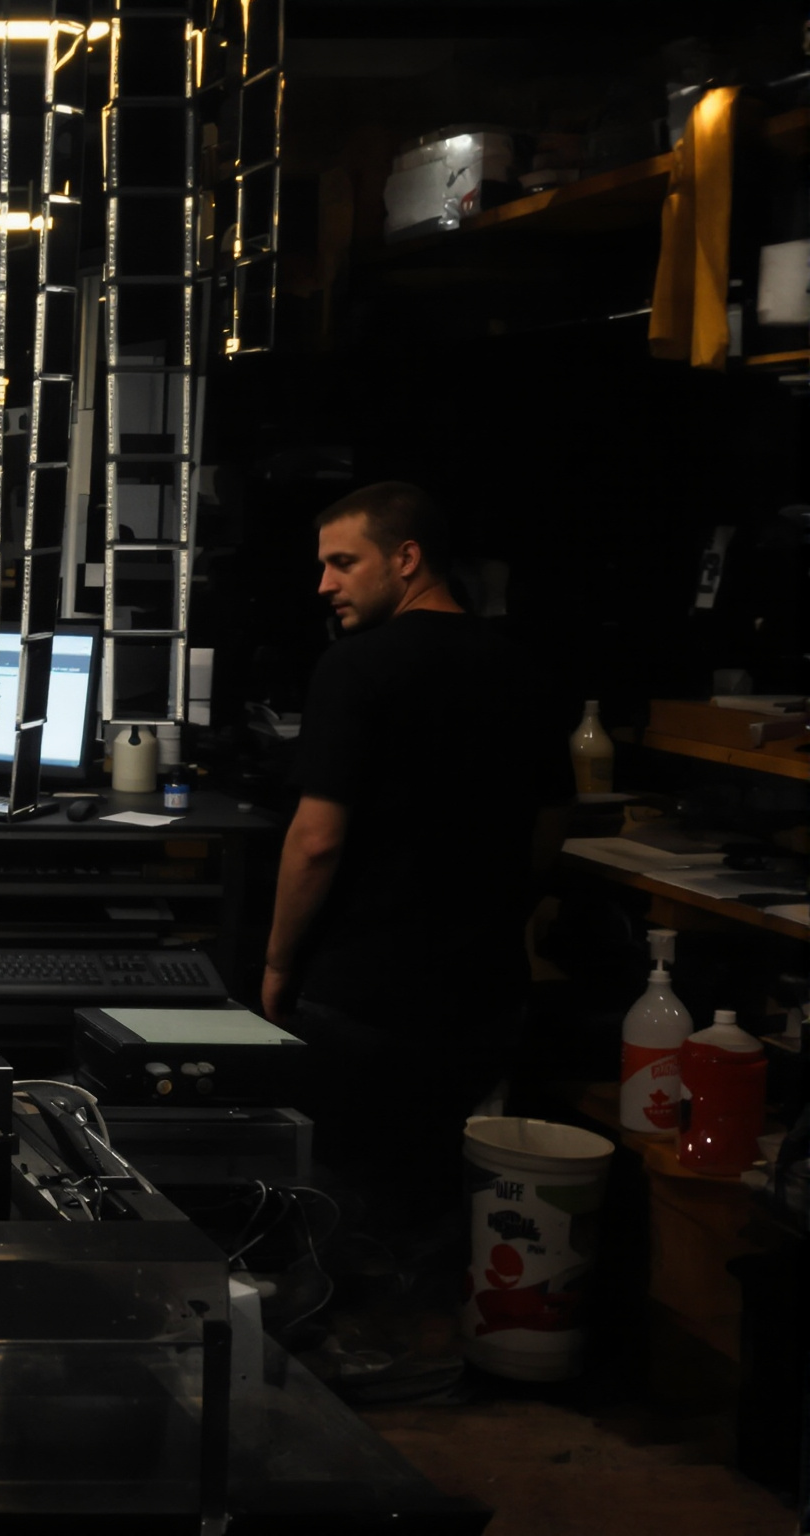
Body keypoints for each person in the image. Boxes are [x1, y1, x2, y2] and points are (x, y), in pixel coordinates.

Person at [263, 482, 570, 1253]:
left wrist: (276, 964)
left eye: (342, 562)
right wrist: (499, 909)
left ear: (406, 559)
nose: (324, 585)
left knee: (344, 1200)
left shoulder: (356, 668)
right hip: (487, 998)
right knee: (439, 1192)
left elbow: (316, 840)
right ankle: (432, 1350)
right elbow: (552, 821)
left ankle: (350, 1358)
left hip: (367, 995)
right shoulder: (523, 665)